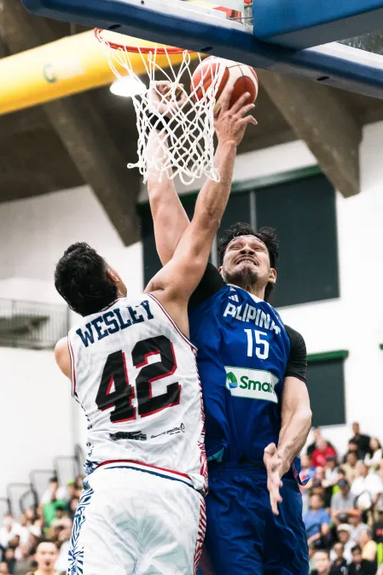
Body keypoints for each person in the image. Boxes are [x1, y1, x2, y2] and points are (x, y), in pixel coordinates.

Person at [54, 84, 257, 575]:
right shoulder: (163, 300)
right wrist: (224, 142)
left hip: (113, 486)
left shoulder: (67, 351)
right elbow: (204, 219)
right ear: (114, 276)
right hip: (175, 487)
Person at [147, 84, 311, 575]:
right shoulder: (209, 296)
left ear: (273, 272)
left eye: (254, 248)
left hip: (276, 481)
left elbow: (299, 411)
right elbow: (161, 199)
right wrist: (159, 124)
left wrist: (282, 458)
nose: (242, 248)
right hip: (220, 482)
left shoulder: (290, 336)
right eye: (234, 246)